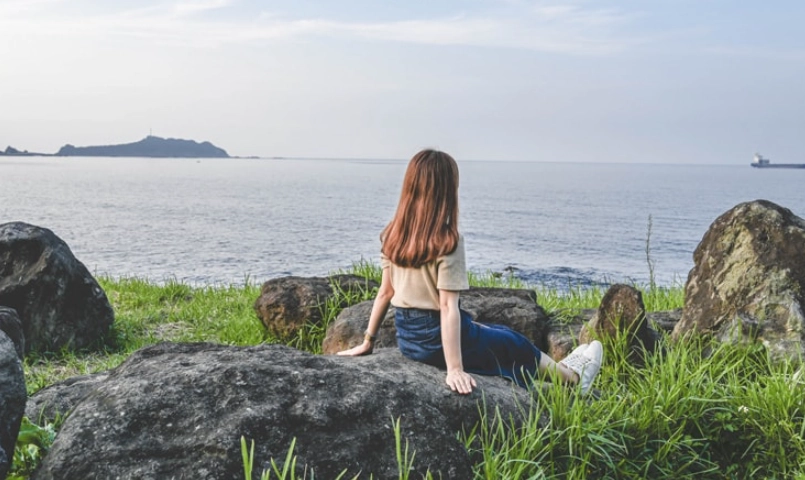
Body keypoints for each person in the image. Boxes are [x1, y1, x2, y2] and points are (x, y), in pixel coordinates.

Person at [337, 149, 603, 395]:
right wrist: (454, 368)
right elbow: (447, 307)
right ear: (446, 191)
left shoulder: (393, 233)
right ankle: (575, 379)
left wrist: (367, 341)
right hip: (434, 340)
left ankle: (563, 370)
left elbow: (385, 292)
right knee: (514, 342)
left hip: (408, 337)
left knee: (494, 330)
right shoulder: (447, 240)